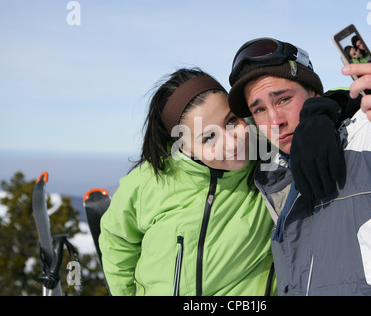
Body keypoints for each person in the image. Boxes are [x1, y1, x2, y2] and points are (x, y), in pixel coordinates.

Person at [227, 37, 371, 295]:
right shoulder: (274, 179)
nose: (275, 121)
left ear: (313, 95)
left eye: (283, 99)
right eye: (259, 110)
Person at [99, 68, 276, 296]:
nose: (232, 144)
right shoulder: (147, 183)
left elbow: (308, 103)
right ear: (183, 146)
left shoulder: (270, 152)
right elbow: (118, 241)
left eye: (231, 121)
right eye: (209, 138)